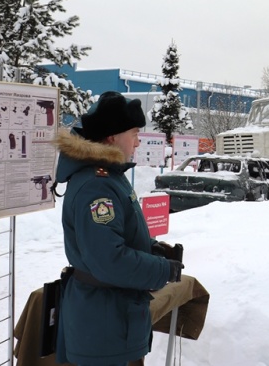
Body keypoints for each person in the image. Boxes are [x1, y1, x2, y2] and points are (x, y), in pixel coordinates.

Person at [53, 91, 185, 366]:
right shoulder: (96, 184)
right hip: (103, 329)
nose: (138, 141)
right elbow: (108, 260)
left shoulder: (110, 176)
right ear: (112, 136)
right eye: (134, 132)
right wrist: (163, 270)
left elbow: (119, 235)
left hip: (113, 321)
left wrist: (153, 249)